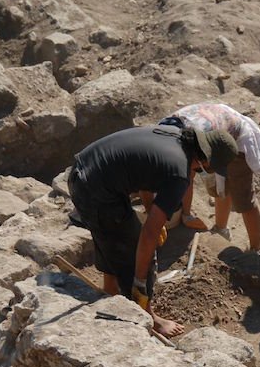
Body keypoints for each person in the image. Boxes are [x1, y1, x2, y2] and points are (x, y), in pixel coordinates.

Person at [67, 125, 238, 337]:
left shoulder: (175, 135)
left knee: (110, 233)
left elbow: (144, 175)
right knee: (137, 253)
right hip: (95, 190)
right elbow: (149, 234)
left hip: (84, 171)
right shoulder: (179, 174)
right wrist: (140, 280)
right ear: (206, 161)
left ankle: (110, 291)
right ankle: (147, 316)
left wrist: (150, 210)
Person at [160, 103, 260, 253]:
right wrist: (186, 215)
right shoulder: (169, 139)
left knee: (244, 199)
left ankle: (256, 249)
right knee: (219, 187)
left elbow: (188, 176)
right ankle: (221, 229)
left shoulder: (191, 144)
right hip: (214, 128)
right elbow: (188, 177)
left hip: (236, 136)